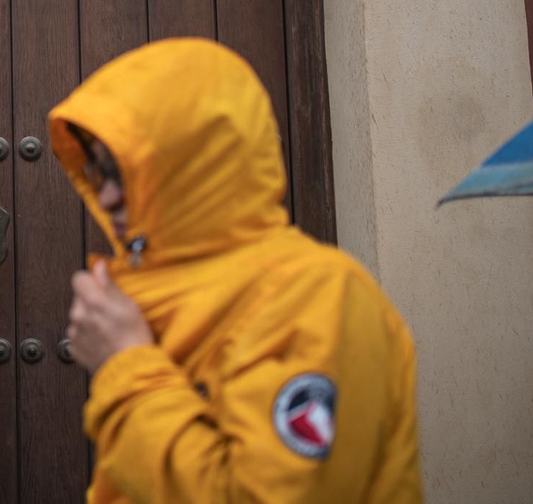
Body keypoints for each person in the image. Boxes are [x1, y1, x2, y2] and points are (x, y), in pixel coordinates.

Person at [50, 38, 422, 503]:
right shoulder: (166, 293)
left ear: (194, 167)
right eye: (101, 174)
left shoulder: (317, 295)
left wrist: (126, 363)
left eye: (126, 173)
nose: (105, 198)